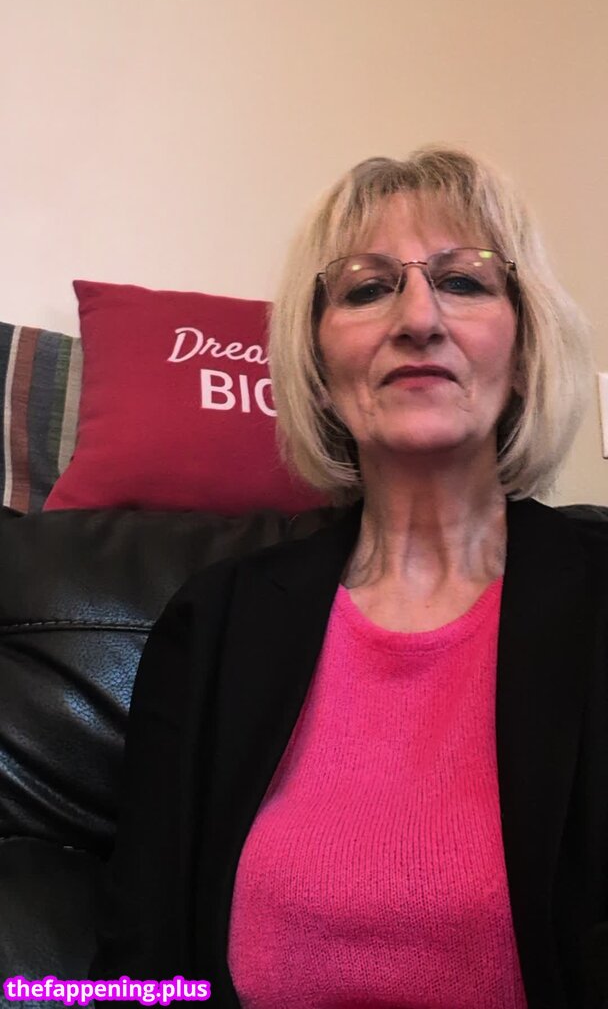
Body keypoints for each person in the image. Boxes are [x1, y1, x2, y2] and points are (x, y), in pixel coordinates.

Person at [90, 146, 608, 1009]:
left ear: (524, 351)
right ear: (319, 370)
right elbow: (139, 964)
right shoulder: (215, 622)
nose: (419, 318)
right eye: (367, 290)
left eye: (465, 281)